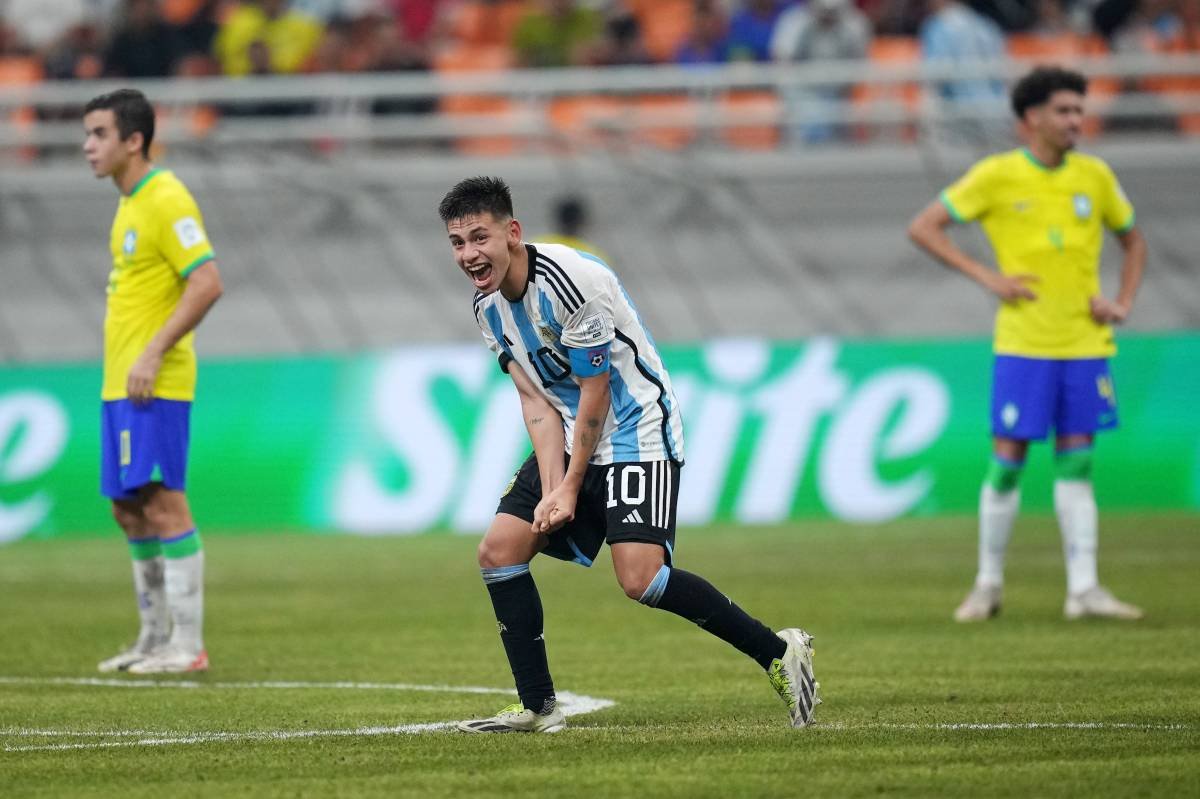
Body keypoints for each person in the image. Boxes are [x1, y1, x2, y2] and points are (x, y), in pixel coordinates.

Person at [439, 176, 818, 732]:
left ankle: (778, 652)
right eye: (456, 243)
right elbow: (537, 403)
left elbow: (597, 390)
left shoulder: (573, 279)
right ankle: (538, 707)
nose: (469, 254)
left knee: (641, 579)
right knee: (499, 551)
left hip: (636, 428)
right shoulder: (487, 307)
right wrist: (553, 486)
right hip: (574, 432)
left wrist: (569, 487)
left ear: (512, 233)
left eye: (479, 237)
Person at [907, 67, 1147, 623]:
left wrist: (1123, 300)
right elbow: (924, 226)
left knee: (1078, 464)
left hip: (1085, 343)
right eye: (1064, 111)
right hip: (1024, 345)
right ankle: (988, 584)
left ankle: (1083, 590)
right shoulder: (997, 175)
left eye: (1079, 111)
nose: (1075, 122)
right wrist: (988, 278)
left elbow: (1134, 242)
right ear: (1031, 118)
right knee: (1009, 462)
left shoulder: (1095, 176)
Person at [83, 89, 224, 673]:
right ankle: (152, 636)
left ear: (133, 140)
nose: (87, 146)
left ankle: (187, 646)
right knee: (128, 508)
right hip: (121, 384)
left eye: (98, 134)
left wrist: (151, 354)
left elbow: (207, 280)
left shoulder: (165, 197)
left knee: (164, 503)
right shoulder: (127, 203)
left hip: (154, 382)